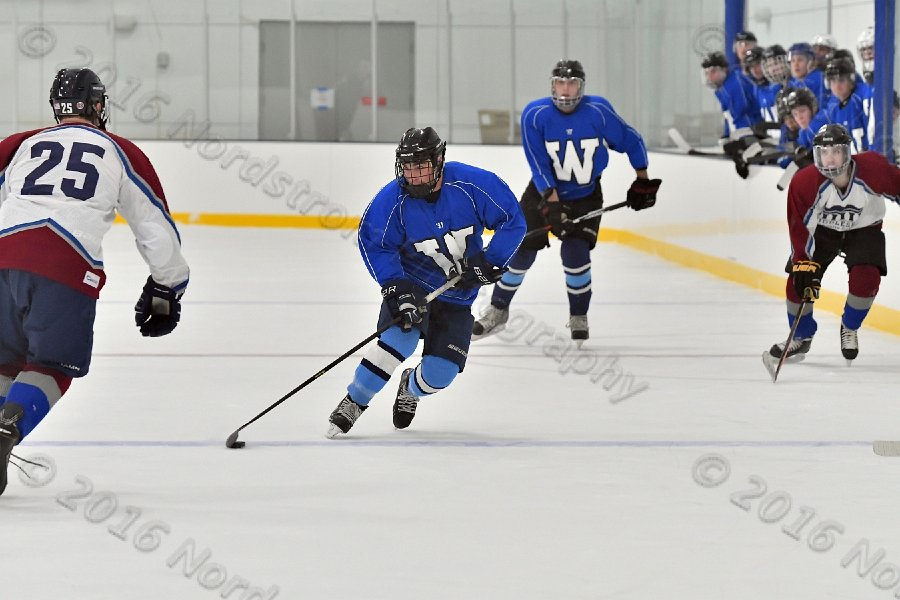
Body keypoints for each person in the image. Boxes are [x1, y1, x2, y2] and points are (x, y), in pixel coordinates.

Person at [0, 68, 189, 495]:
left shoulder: (20, 144)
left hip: (3, 259)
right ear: (100, 105)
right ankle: (9, 425)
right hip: (65, 264)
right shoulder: (118, 149)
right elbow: (154, 228)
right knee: (51, 365)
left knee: (3, 362)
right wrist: (167, 287)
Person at [326, 127, 525, 437]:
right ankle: (355, 401)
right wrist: (395, 286)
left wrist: (491, 261)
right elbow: (375, 243)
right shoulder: (392, 201)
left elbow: (512, 220)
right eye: (408, 168)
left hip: (459, 295)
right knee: (397, 341)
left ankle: (411, 388)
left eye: (421, 167)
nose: (414, 176)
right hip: (414, 284)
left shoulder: (471, 185)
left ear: (439, 160)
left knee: (440, 374)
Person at [471, 59, 660, 346]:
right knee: (521, 252)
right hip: (542, 194)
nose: (566, 88)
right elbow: (538, 163)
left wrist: (642, 180)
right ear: (552, 85)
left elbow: (631, 140)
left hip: (586, 195)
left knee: (575, 255)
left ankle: (579, 315)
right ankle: (498, 309)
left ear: (581, 86)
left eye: (572, 82)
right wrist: (553, 204)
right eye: (561, 82)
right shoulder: (535, 114)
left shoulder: (598, 111)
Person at [766, 124, 900, 364]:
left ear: (847, 152)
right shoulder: (805, 182)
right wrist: (803, 264)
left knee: (867, 279)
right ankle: (801, 335)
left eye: (836, 151)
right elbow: (799, 227)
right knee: (797, 282)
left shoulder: (872, 168)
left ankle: (849, 327)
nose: (830, 158)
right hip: (823, 233)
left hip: (864, 229)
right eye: (824, 152)